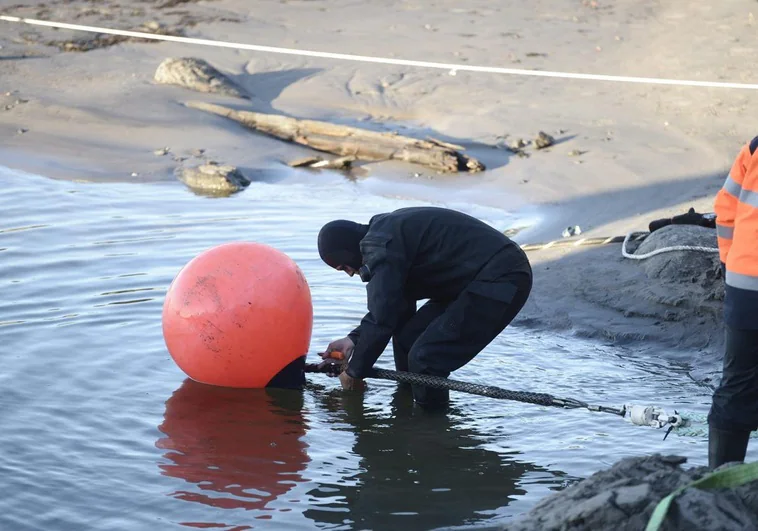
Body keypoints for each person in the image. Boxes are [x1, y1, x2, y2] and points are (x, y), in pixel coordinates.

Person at [316, 206, 533, 409]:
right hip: (470, 281)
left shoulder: (379, 248)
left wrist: (354, 372)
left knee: (426, 358)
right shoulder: (384, 237)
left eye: (344, 267)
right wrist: (353, 339)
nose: (351, 273)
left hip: (503, 277)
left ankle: (431, 429)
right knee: (408, 339)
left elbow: (382, 318)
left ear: (348, 249)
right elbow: (392, 306)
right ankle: (407, 406)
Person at [708, 135, 758, 468]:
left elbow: (725, 209)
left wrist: (730, 262)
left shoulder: (755, 147)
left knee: (737, 382)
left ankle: (721, 481)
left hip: (745, 284)